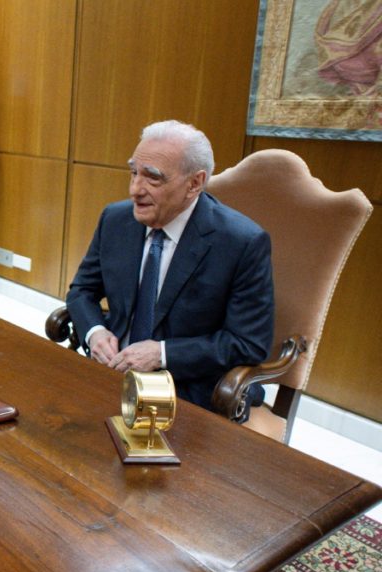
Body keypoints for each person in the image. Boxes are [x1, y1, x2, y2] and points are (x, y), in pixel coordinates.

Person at [65, 120, 274, 413]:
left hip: (185, 388)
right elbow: (81, 291)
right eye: (134, 172)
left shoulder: (241, 242)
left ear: (195, 183)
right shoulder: (115, 220)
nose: (135, 190)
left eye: (153, 178)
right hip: (108, 371)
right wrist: (95, 332)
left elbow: (247, 343)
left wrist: (162, 354)